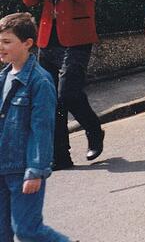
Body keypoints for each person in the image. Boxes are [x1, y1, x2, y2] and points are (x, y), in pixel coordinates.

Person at [22, 0, 105, 171]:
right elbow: (29, 0)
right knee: (51, 100)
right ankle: (61, 156)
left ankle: (93, 130)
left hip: (77, 39)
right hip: (49, 39)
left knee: (67, 94)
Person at [0, 13, 70, 242]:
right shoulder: (3, 77)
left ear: (28, 43)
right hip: (2, 166)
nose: (0, 47)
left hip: (22, 169)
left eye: (7, 42)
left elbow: (42, 130)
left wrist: (35, 171)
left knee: (27, 230)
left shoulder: (39, 81)